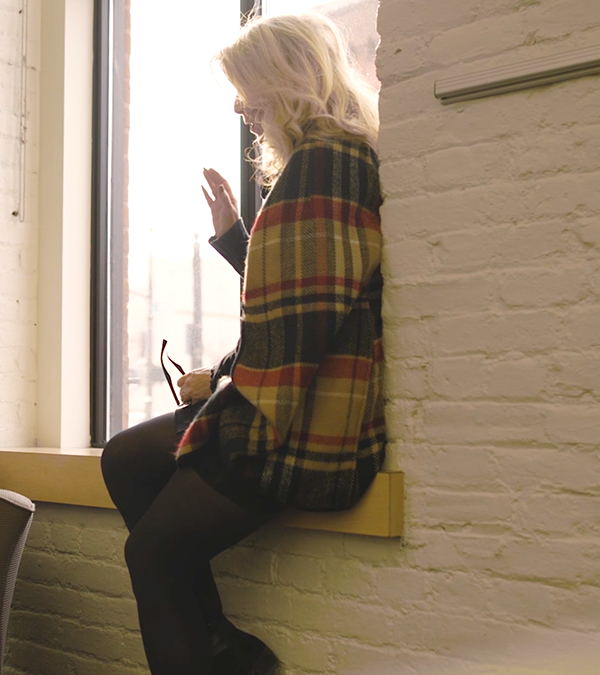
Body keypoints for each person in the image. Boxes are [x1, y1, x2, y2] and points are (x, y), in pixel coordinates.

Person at [101, 12, 386, 675]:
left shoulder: (324, 162)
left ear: (287, 77)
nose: (239, 106)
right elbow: (303, 297)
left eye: (246, 86)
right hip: (300, 408)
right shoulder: (331, 157)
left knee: (151, 554)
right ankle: (220, 641)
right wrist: (238, 240)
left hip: (304, 432)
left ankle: (223, 651)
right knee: (124, 458)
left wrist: (226, 395)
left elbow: (300, 331)